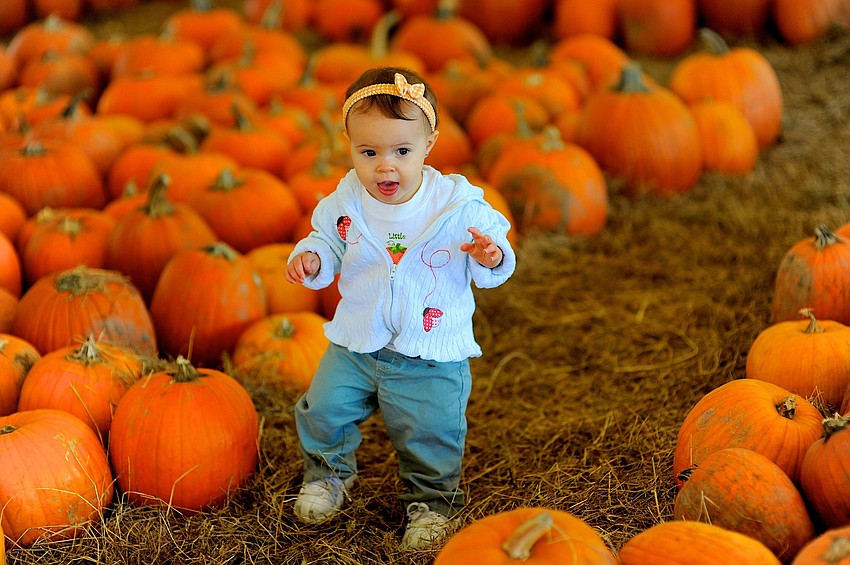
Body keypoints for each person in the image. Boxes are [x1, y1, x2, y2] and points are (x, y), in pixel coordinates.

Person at [284, 66, 516, 550]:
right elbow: (327, 240)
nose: (384, 167)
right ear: (347, 143)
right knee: (323, 409)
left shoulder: (457, 205)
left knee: (429, 435)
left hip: (429, 352)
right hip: (358, 341)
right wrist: (312, 259)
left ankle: (432, 503)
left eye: (401, 152)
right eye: (368, 153)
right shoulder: (346, 201)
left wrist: (492, 255)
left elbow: (498, 250)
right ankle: (328, 475)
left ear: (429, 143)